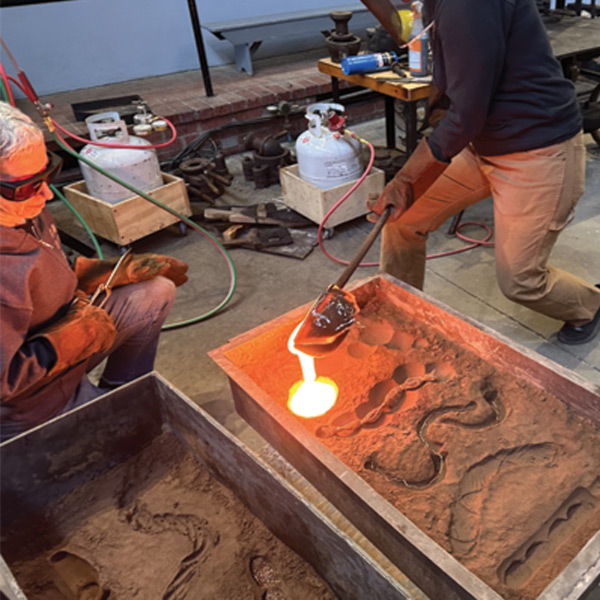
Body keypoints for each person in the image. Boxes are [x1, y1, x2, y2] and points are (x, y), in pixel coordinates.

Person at [366, 0, 600, 345]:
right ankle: (403, 313)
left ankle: (589, 306)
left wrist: (404, 179)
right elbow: (408, 30)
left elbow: (466, 114)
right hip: (482, 144)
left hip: (536, 147)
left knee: (520, 281)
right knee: (404, 218)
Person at [0, 101, 188, 441]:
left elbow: (43, 266)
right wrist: (69, 340)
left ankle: (124, 395)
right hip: (26, 403)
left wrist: (107, 272)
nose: (46, 193)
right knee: (109, 458)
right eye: (28, 186)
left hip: (66, 339)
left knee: (154, 291)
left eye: (48, 173)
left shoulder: (20, 206)